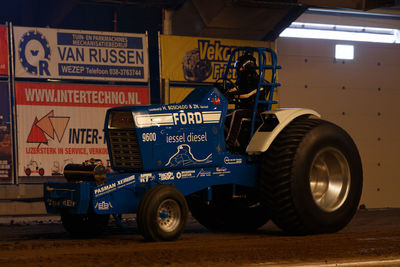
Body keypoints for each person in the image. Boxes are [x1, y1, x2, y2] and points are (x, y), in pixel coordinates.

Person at [224, 53, 261, 150]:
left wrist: (233, 95)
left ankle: (230, 143)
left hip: (256, 110)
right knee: (224, 117)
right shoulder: (242, 79)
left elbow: (247, 94)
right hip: (246, 108)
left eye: (240, 68)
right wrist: (225, 91)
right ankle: (236, 142)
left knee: (237, 113)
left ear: (248, 67)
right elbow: (235, 88)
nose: (239, 70)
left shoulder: (256, 81)